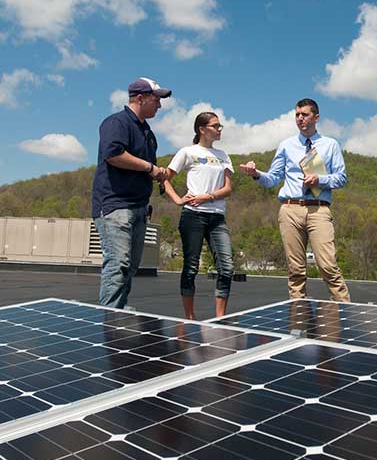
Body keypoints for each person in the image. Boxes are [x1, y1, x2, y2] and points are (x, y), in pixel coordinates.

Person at [240, 98, 350, 301]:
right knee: (296, 270)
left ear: (316, 118)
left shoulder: (330, 145)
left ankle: (345, 312)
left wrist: (320, 179)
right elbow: (272, 178)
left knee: (328, 266)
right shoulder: (286, 145)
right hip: (290, 209)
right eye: (297, 115)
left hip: (319, 210)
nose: (300, 118)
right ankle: (298, 317)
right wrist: (256, 174)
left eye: (305, 114)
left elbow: (342, 178)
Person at [92, 77, 171, 309]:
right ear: (140, 98)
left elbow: (147, 168)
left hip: (138, 208)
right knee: (119, 265)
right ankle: (107, 320)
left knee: (129, 268)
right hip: (116, 206)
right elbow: (113, 154)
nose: (159, 106)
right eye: (156, 100)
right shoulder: (116, 123)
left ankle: (116, 313)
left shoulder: (148, 133)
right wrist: (150, 168)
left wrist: (158, 173)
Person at [163, 112, 234, 320]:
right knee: (191, 266)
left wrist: (208, 196)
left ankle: (220, 318)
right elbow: (164, 177)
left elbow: (228, 188)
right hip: (193, 216)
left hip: (217, 217)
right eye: (215, 126)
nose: (220, 129)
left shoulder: (223, 155)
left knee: (227, 267)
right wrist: (177, 199)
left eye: (221, 126)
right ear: (202, 129)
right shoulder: (187, 152)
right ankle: (189, 318)